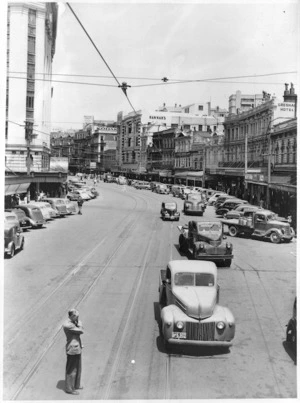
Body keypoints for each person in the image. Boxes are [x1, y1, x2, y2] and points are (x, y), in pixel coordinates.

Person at [63, 309, 84, 395]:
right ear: (72, 316)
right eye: (77, 316)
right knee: (71, 369)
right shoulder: (68, 325)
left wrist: (78, 323)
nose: (78, 318)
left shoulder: (74, 322)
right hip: (72, 349)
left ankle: (76, 385)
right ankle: (69, 388)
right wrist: (79, 324)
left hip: (77, 347)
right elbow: (81, 330)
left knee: (78, 368)